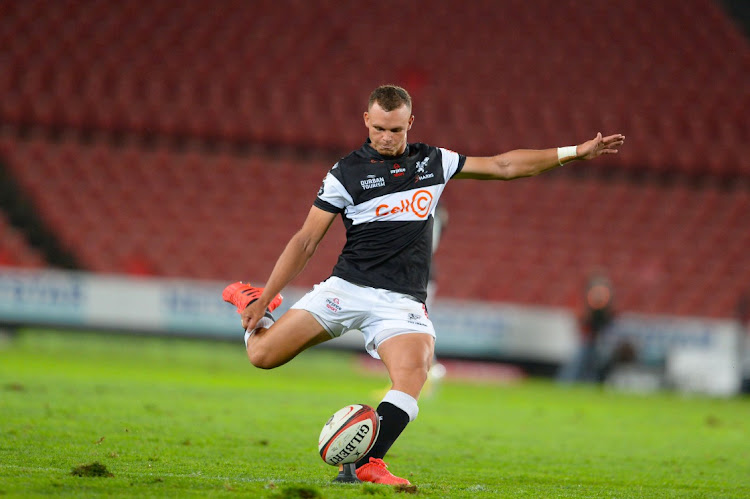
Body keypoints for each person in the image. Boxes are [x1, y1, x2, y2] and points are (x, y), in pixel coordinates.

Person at [222, 84, 625, 485]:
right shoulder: (346, 173)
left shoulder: (433, 161)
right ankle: (253, 301)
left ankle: (368, 463)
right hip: (346, 288)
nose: (386, 137)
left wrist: (574, 152)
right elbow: (306, 240)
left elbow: (503, 166)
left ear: (410, 123)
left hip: (400, 303)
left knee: (414, 372)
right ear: (366, 120)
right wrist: (269, 293)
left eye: (395, 130)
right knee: (262, 355)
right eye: (379, 128)